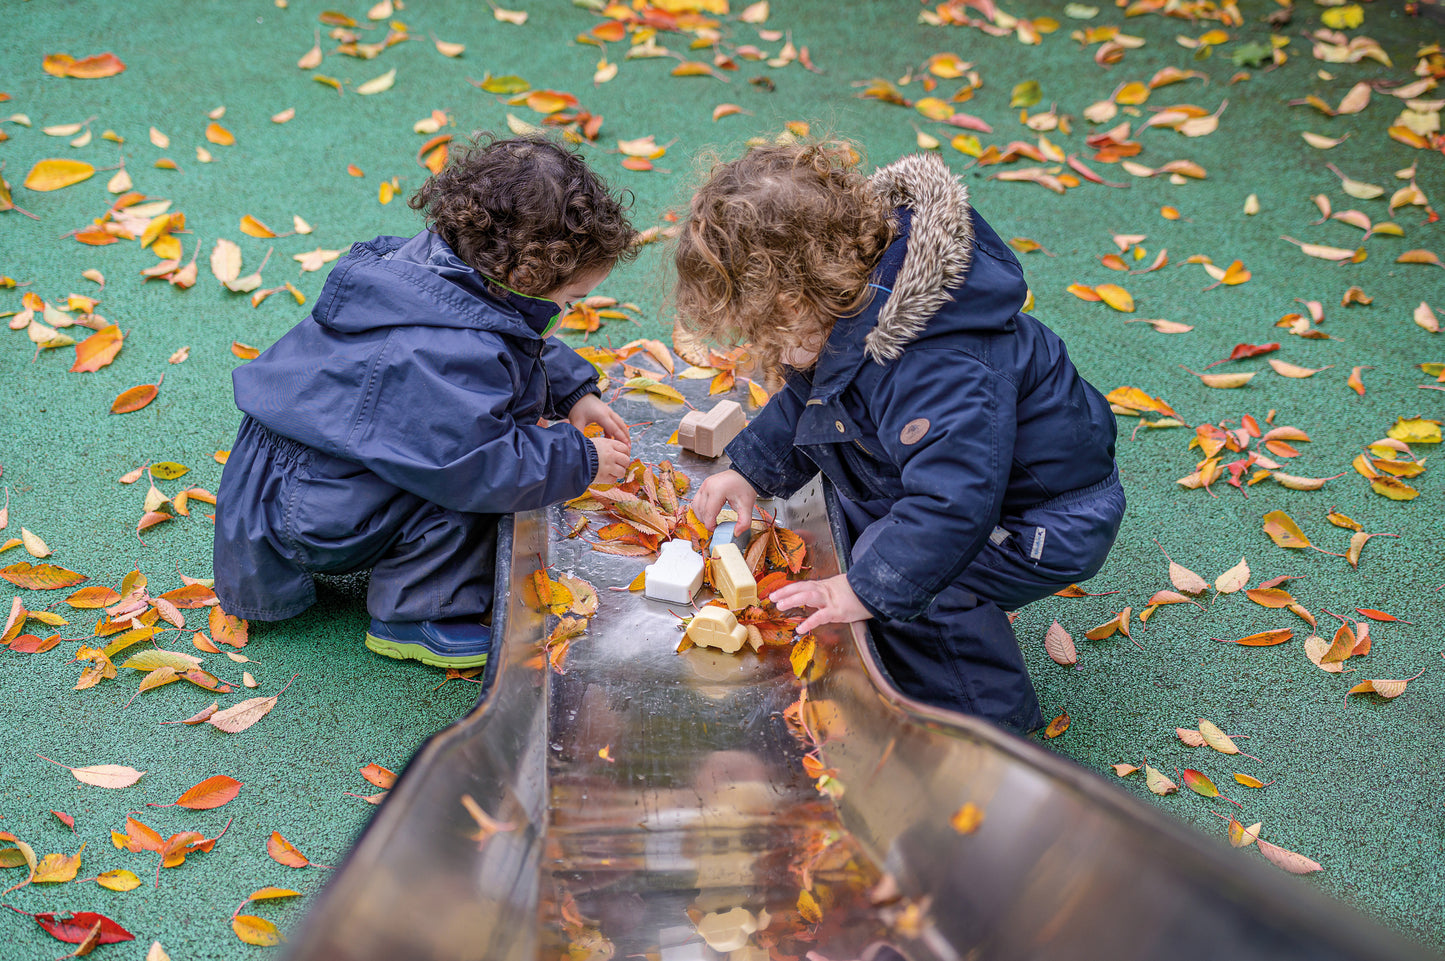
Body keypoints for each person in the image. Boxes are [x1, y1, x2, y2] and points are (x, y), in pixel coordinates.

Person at [681, 142, 1124, 734]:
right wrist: (750, 470)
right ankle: (897, 634)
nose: (770, 351)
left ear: (795, 298)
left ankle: (982, 733)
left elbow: (955, 508)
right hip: (973, 488)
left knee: (921, 584)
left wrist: (867, 588)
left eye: (766, 330)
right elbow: (811, 399)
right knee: (877, 542)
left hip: (1040, 519)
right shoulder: (851, 304)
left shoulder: (936, 361)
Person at [212, 135, 636, 669]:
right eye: (568, 299)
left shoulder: (444, 268)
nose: (567, 312)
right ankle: (417, 615)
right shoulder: (443, 351)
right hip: (308, 508)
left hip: (297, 477)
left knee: (472, 450)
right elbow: (477, 461)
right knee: (476, 490)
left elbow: (507, 336)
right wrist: (580, 461)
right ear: (525, 278)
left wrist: (573, 389)